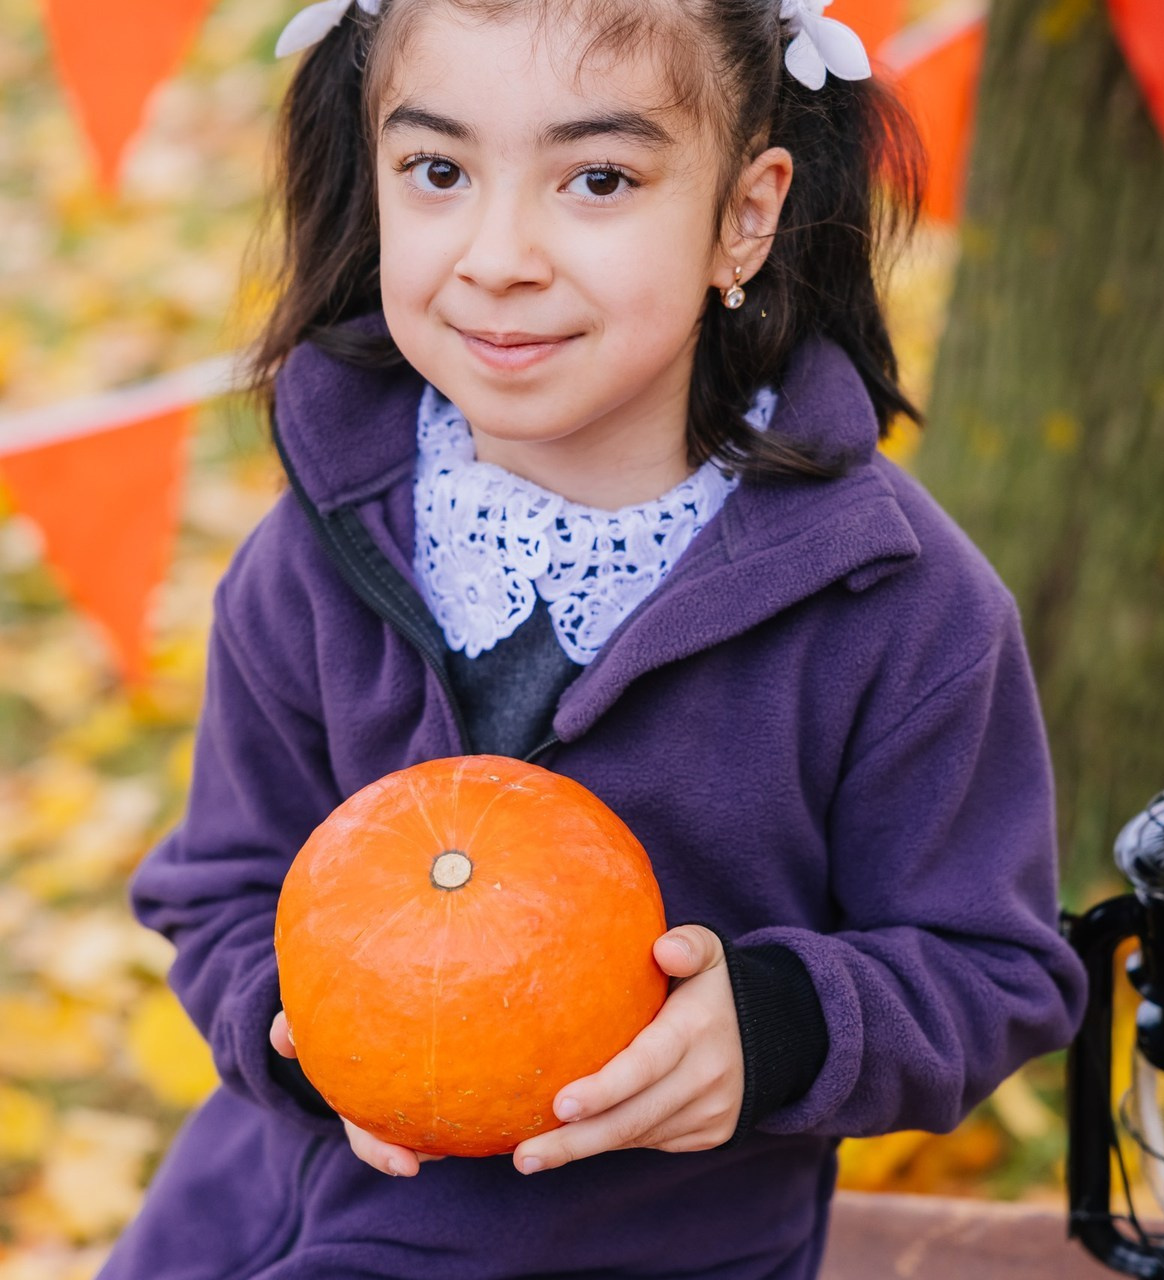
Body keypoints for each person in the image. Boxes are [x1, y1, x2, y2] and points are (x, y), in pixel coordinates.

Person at [100, 0, 1088, 1275]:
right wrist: (296, 1026)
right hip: (248, 1229)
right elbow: (221, 887)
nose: (498, 254)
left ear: (744, 212)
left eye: (599, 178)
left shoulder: (895, 609)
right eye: (441, 171)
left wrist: (780, 1028)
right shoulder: (311, 555)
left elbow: (994, 967)